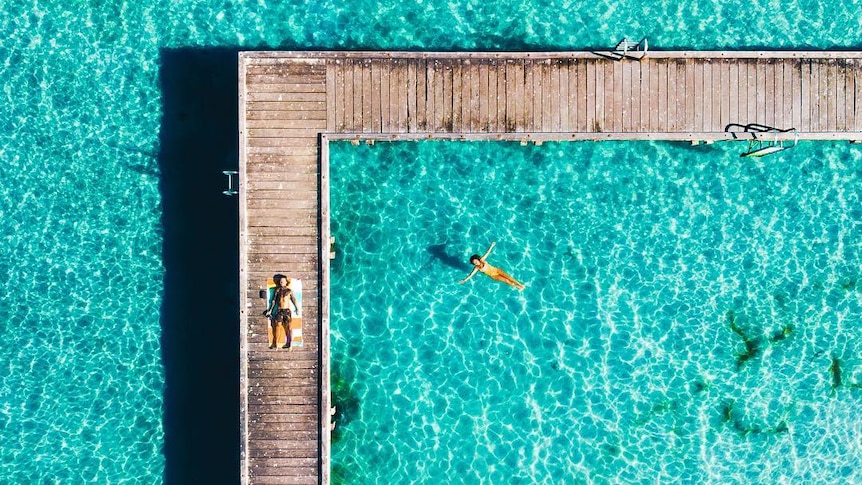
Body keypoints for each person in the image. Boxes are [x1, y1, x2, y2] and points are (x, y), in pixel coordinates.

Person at [459, 242, 525, 290]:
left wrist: (491, 246)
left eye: (476, 261)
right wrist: (464, 280)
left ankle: (520, 284)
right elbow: (471, 275)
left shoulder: (482, 260)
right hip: (494, 276)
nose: (476, 263)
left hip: (497, 270)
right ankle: (518, 287)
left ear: (478, 259)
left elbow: (487, 253)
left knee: (509, 277)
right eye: (474, 263)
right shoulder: (476, 268)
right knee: (506, 281)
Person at [263, 276, 299, 349]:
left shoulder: (289, 290)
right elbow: (273, 301)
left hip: (287, 311)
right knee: (277, 326)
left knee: (288, 327)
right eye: (281, 281)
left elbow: (294, 300)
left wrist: (297, 308)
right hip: (279, 311)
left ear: (286, 282)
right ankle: (276, 343)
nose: (282, 282)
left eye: (283, 281)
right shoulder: (277, 290)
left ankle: (289, 343)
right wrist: (270, 310)